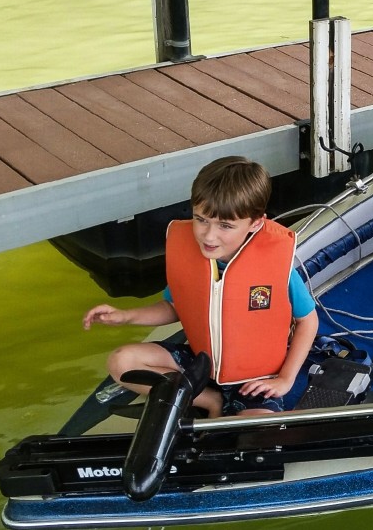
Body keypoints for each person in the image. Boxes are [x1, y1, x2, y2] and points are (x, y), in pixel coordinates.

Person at [82, 156, 319, 418]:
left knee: (258, 435)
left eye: (225, 226)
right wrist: (126, 316)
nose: (208, 235)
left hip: (255, 380)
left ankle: (212, 404)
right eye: (201, 219)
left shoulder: (277, 265)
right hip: (200, 362)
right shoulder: (189, 255)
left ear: (255, 223)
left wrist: (285, 379)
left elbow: (308, 321)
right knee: (121, 362)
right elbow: (173, 307)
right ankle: (209, 401)